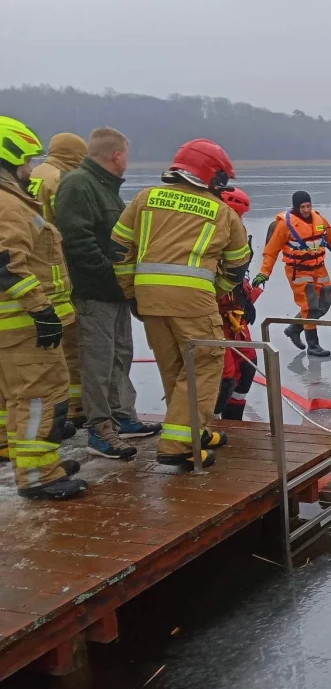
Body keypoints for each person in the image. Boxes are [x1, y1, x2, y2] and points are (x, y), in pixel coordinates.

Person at [111, 139, 251, 470]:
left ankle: (194, 432)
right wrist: (217, 290)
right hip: (194, 302)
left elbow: (119, 249)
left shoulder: (145, 199)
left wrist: (131, 291)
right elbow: (237, 264)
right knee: (202, 368)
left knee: (175, 368)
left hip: (149, 299)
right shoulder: (222, 212)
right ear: (211, 176)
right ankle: (177, 445)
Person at [56, 127, 159, 460]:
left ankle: (122, 416)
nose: (127, 160)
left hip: (115, 292)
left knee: (120, 356)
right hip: (95, 293)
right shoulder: (78, 185)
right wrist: (110, 276)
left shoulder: (106, 188)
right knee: (98, 363)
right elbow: (77, 242)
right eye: (126, 154)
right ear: (117, 155)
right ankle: (100, 431)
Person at [0, 117, 87, 500]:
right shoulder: (7, 205)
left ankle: (34, 464)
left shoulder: (12, 201)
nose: (31, 169)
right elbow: (7, 263)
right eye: (26, 162)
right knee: (42, 398)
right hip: (26, 325)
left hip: (16, 325)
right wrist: (41, 309)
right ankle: (38, 476)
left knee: (20, 399)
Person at [253, 190, 331, 358]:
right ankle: (313, 345)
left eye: (308, 206)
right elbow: (271, 252)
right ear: (295, 207)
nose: (306, 210)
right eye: (302, 207)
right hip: (298, 270)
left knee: (325, 301)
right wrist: (264, 273)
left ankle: (294, 328)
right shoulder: (285, 225)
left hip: (319, 268)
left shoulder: (319, 219)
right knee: (309, 305)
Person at [28, 133, 88, 423]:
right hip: (57, 274)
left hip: (27, 275)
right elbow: (70, 230)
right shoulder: (63, 180)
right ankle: (75, 409)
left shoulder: (30, 174)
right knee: (71, 346)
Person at [214, 188, 261, 421]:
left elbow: (237, 268)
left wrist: (246, 299)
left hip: (236, 314)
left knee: (248, 364)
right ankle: (205, 425)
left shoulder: (235, 230)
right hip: (214, 315)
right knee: (225, 376)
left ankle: (234, 422)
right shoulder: (206, 234)